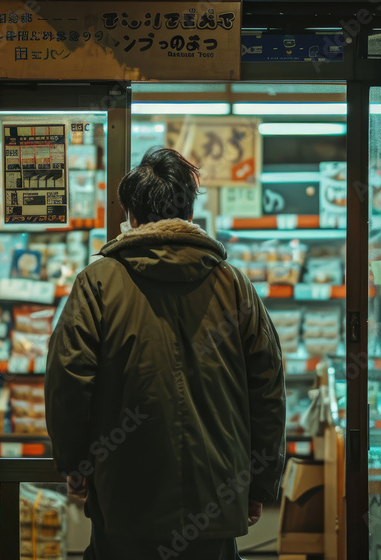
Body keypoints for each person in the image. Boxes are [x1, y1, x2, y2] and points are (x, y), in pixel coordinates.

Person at [45, 148, 286, 560]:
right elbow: (267, 390)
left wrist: (76, 464)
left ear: (131, 216)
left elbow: (69, 378)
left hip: (124, 501)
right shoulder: (234, 286)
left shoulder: (98, 283)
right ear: (189, 213)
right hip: (216, 498)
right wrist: (260, 484)